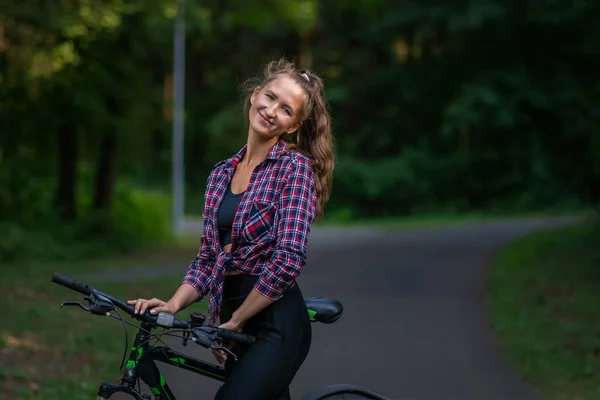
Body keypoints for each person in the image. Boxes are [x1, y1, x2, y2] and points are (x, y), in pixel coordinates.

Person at [127, 58, 335, 400]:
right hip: (233, 317)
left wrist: (237, 319)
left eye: (285, 109)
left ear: (293, 125)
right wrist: (172, 303)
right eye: (269, 97)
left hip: (274, 322)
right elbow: (209, 258)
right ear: (255, 96)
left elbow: (288, 258)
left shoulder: (294, 169)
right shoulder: (221, 173)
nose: (271, 110)